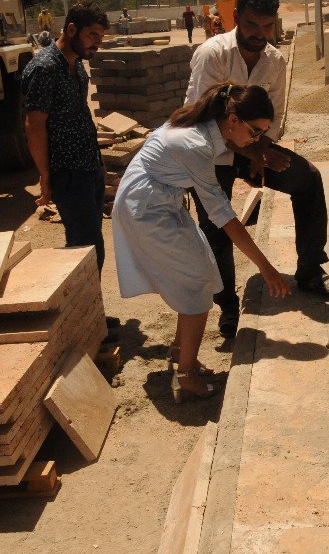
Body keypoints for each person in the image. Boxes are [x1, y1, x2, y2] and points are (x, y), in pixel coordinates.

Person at [187, 0, 329, 339]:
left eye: (267, 26)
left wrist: (264, 152)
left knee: (307, 178)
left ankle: (310, 269)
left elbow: (271, 118)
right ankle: (227, 304)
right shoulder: (212, 55)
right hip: (209, 152)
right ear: (237, 17)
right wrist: (253, 152)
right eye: (251, 26)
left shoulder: (274, 60)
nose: (260, 35)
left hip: (252, 146)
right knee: (216, 227)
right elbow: (205, 121)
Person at [112, 83, 290, 401]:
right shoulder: (195, 144)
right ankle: (186, 375)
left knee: (205, 272)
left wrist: (257, 155)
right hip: (146, 208)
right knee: (196, 288)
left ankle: (183, 353)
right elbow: (224, 217)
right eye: (255, 131)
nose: (257, 140)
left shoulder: (209, 129)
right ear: (232, 119)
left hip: (161, 200)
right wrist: (266, 267)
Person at [22, 3, 120, 330]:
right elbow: (34, 125)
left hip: (87, 167)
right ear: (73, 29)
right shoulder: (45, 67)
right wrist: (46, 176)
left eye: (101, 37)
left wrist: (99, 162)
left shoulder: (76, 65)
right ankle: (84, 323)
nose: (97, 43)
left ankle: (87, 316)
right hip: (67, 171)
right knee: (85, 249)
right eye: (93, 35)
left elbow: (82, 117)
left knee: (90, 247)